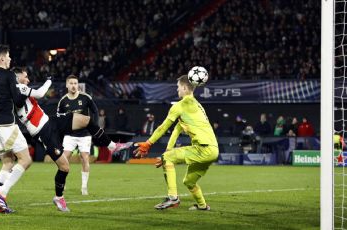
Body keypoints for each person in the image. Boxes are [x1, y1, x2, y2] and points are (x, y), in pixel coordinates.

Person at [13, 68, 132, 210]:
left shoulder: (18, 89)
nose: (28, 80)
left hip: (50, 122)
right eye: (25, 77)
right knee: (64, 167)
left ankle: (112, 146)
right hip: (43, 132)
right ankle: (59, 197)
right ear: (17, 77)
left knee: (86, 120)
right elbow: (39, 93)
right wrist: (49, 80)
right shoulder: (18, 88)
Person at [134, 75, 218, 211]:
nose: (177, 90)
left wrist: (148, 143)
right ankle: (202, 206)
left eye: (178, 87)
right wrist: (168, 150)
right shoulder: (197, 105)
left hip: (203, 149)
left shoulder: (182, 104)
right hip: (213, 149)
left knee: (168, 158)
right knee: (189, 182)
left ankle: (173, 198)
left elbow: (163, 127)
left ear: (185, 88)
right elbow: (176, 129)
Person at [0, 44, 32, 214]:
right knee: (26, 160)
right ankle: (1, 194)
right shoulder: (9, 74)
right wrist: (25, 91)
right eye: (9, 56)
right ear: (2, 58)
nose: (10, 59)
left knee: (7, 162)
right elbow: (18, 101)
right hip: (6, 124)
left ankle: (0, 205)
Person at [57, 75, 96, 195]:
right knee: (64, 158)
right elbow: (59, 119)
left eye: (75, 83)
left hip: (85, 134)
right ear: (67, 85)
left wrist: (94, 127)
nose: (74, 85)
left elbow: (95, 111)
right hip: (70, 134)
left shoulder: (86, 98)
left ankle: (84, 187)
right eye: (71, 83)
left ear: (78, 85)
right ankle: (62, 183)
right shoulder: (63, 101)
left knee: (84, 158)